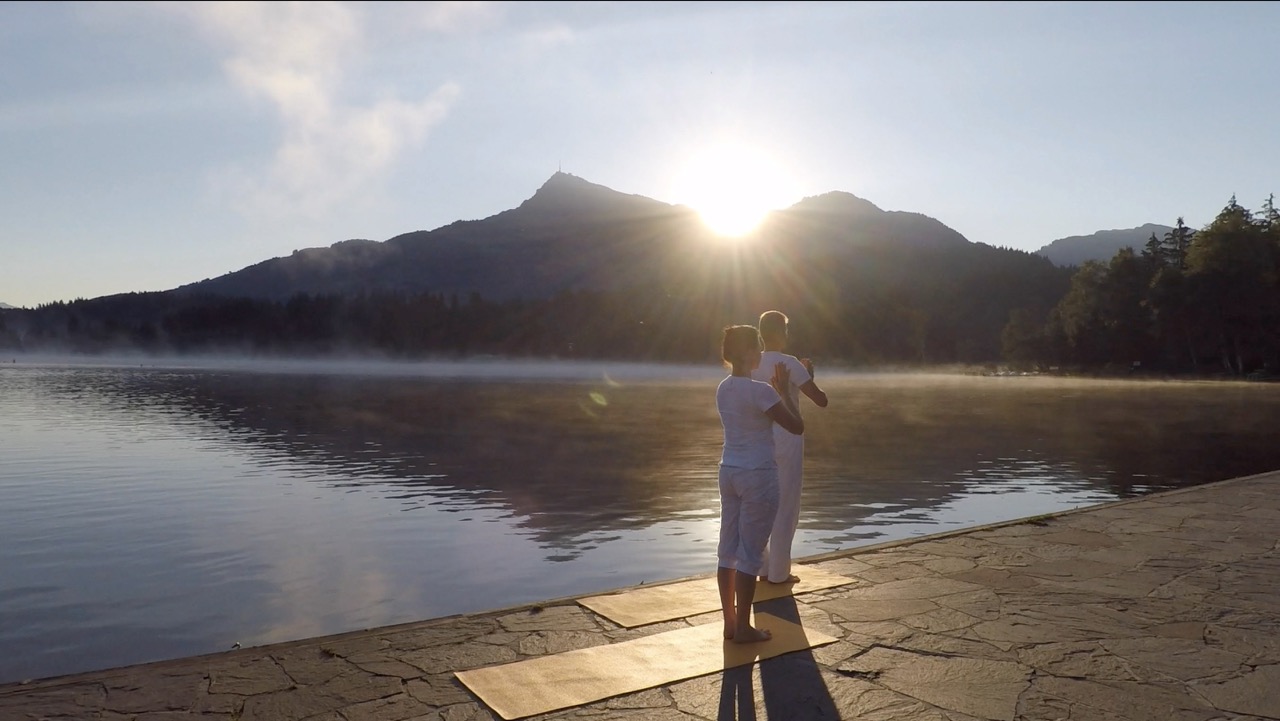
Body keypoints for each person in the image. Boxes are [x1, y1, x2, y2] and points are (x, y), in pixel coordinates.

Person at [715, 324, 804, 643]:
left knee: (727, 552)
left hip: (729, 471)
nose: (761, 353)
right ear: (749, 353)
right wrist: (783, 392)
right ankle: (743, 628)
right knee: (751, 554)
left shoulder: (724, 388)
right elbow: (796, 426)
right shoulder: (762, 392)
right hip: (759, 476)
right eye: (758, 347)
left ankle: (730, 623)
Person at [750, 310, 829, 585]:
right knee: (786, 504)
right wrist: (809, 374)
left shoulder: (750, 363)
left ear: (760, 334)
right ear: (783, 333)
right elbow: (820, 400)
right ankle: (779, 573)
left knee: (760, 504)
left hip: (757, 438)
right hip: (787, 436)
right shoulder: (790, 363)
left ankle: (760, 568)